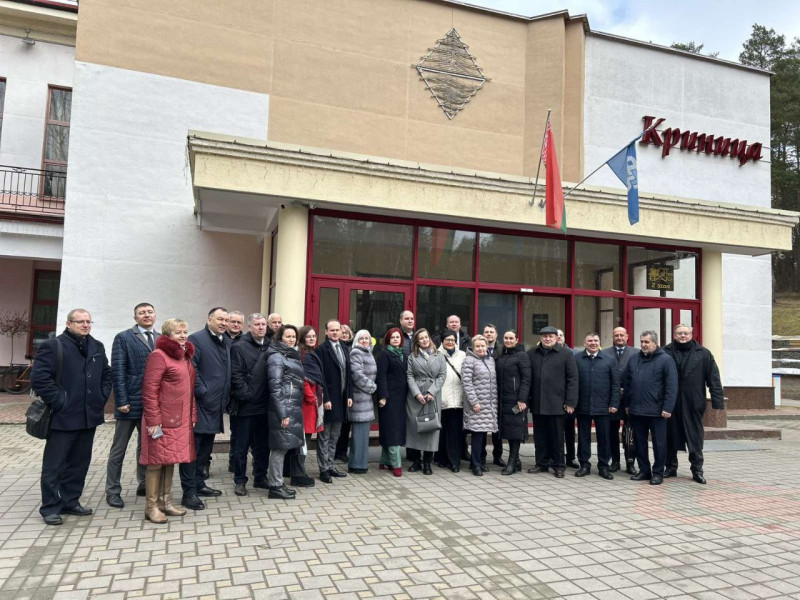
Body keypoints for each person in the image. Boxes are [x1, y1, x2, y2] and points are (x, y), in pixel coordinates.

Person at [32, 308, 112, 526]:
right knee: (54, 465)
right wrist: (61, 401)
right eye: (80, 322)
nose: (85, 325)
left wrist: (101, 396)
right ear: (69, 324)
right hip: (63, 417)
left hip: (88, 416)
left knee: (79, 463)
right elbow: (40, 379)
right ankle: (50, 507)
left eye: (88, 321)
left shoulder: (97, 346)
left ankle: (70, 501)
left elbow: (106, 373)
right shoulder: (54, 346)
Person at [139, 318, 197, 523]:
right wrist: (153, 420)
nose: (183, 336)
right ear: (167, 335)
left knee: (170, 459)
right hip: (161, 419)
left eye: (185, 332)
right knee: (155, 462)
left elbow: (189, 390)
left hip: (179, 419)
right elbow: (149, 390)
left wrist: (192, 414)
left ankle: (166, 501)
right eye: (178, 332)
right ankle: (151, 507)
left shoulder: (183, 356)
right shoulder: (158, 356)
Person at [106, 302, 155, 509]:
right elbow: (117, 371)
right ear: (135, 318)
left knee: (145, 447)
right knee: (119, 449)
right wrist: (121, 400)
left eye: (150, 312)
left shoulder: (161, 338)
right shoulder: (123, 337)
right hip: (129, 403)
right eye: (142, 313)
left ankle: (143, 484)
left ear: (155, 315)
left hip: (150, 404)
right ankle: (112, 491)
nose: (146, 315)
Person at [663, 324, 724, 484]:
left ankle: (697, 470)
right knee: (670, 436)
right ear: (674, 335)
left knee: (695, 438)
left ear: (691, 335)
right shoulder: (665, 352)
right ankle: (670, 467)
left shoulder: (703, 353)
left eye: (686, 333)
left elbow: (713, 378)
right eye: (679, 333)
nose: (683, 336)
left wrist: (717, 402)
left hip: (694, 402)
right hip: (671, 403)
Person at [183, 307, 230, 506]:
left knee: (205, 450)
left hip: (216, 406)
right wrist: (203, 392)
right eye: (220, 319)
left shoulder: (226, 340)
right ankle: (188, 493)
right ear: (209, 319)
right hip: (200, 405)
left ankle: (199, 483)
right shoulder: (196, 339)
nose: (224, 323)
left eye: (226, 320)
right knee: (193, 450)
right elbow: (191, 368)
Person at [622, 330, 678, 486]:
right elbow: (627, 384)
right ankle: (644, 470)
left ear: (655, 343)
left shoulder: (666, 360)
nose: (643, 345)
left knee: (659, 444)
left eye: (646, 342)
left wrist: (668, 408)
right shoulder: (634, 359)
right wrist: (627, 404)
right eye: (641, 342)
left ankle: (658, 473)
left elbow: (672, 386)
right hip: (637, 410)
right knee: (639, 443)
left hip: (658, 412)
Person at [527, 326, 578, 478]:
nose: (547, 339)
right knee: (540, 436)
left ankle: (559, 466)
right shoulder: (532, 353)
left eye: (551, 336)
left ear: (556, 338)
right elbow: (528, 378)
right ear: (540, 338)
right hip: (538, 402)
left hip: (557, 403)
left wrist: (570, 401)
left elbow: (573, 379)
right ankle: (541, 463)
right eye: (545, 336)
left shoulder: (566, 353)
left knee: (557, 437)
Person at [229, 313, 271, 496]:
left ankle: (260, 477)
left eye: (263, 324)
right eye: (257, 324)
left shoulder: (271, 345)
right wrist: (247, 395)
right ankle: (240, 480)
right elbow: (235, 375)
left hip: (266, 405)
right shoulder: (239, 347)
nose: (261, 327)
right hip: (246, 407)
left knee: (263, 445)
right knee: (242, 446)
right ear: (249, 327)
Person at [263, 325, 305, 499]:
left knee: (283, 447)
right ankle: (275, 486)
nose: (291, 339)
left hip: (290, 407)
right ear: (280, 338)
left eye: (294, 336)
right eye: (288, 336)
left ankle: (278, 483)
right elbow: (275, 387)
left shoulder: (288, 355)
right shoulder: (277, 357)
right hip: (283, 409)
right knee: (279, 448)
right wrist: (283, 414)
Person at [574, 332, 620, 480]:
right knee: (583, 437)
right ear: (584, 343)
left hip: (603, 407)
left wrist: (614, 403)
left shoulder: (609, 359)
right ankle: (584, 465)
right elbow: (572, 383)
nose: (593, 343)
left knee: (604, 438)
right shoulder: (577, 359)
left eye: (595, 340)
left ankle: (604, 467)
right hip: (582, 405)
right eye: (590, 341)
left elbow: (615, 384)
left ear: (599, 342)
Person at [315, 320, 353, 483]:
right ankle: (323, 469)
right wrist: (326, 398)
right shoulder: (321, 350)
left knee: (335, 435)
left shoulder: (344, 348)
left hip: (342, 399)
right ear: (326, 332)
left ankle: (330, 465)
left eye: (338, 330)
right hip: (329, 400)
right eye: (332, 330)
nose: (335, 333)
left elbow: (349, 374)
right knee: (325, 436)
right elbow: (321, 377)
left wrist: (349, 395)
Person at [406, 329, 447, 474]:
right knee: (415, 428)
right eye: (421, 338)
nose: (424, 340)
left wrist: (432, 392)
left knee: (430, 428)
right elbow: (409, 375)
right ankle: (416, 461)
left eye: (426, 337)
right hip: (416, 397)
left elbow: (442, 375)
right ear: (417, 342)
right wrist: (416, 393)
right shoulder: (412, 356)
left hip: (432, 396)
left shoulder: (439, 356)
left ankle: (428, 463)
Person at [461, 335, 498, 476]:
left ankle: (479, 462)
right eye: (478, 346)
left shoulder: (490, 360)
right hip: (476, 405)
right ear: (473, 347)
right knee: (477, 435)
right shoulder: (469, 360)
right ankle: (476, 465)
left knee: (483, 434)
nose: (481, 348)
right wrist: (474, 401)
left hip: (490, 405)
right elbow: (467, 383)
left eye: (483, 346)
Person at [496, 330, 531, 475]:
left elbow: (526, 379)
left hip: (516, 400)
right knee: (509, 431)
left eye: (511, 338)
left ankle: (511, 462)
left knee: (515, 431)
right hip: (504, 399)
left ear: (517, 340)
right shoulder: (503, 355)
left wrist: (522, 399)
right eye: (506, 338)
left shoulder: (522, 356)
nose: (508, 340)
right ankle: (516, 461)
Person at [601, 326, 635, 474]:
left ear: (627, 336)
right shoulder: (604, 353)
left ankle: (630, 462)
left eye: (622, 335)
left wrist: (626, 390)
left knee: (630, 432)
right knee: (611, 432)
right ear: (613, 337)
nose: (619, 338)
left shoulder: (636, 353)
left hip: (630, 399)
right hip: (611, 400)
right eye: (616, 335)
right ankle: (615, 461)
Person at [376, 328, 407, 476]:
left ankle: (384, 461)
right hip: (388, 398)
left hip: (401, 398)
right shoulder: (385, 353)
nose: (395, 339)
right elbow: (381, 376)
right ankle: (396, 464)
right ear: (388, 339)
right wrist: (383, 396)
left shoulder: (403, 354)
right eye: (393, 337)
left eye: (397, 337)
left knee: (393, 428)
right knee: (392, 430)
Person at [437, 329, 466, 472]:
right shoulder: (436, 354)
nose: (450, 342)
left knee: (455, 432)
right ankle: (442, 459)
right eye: (447, 340)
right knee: (442, 431)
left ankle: (454, 461)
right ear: (442, 341)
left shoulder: (462, 355)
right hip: (441, 398)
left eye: (453, 340)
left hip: (457, 400)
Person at [348, 329, 377, 474]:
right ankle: (356, 465)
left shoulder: (368, 352)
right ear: (357, 340)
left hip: (366, 399)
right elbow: (357, 375)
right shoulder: (356, 352)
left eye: (367, 338)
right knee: (359, 435)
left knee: (363, 434)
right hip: (360, 399)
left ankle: (360, 463)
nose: (365, 341)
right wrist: (372, 387)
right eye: (362, 338)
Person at [298, 326, 325, 480]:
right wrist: (311, 398)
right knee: (303, 440)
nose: (312, 338)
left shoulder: (310, 353)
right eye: (309, 336)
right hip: (307, 404)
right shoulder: (304, 355)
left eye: (314, 336)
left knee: (305, 438)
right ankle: (299, 473)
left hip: (312, 402)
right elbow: (304, 380)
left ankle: (297, 471)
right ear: (302, 338)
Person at [481, 324, 505, 468]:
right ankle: (482, 457)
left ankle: (498, 456)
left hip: (498, 392)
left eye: (491, 332)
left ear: (496, 335)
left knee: (497, 427)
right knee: (482, 427)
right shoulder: (478, 348)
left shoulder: (502, 350)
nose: (489, 334)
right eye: (486, 332)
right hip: (483, 393)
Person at [225, 309, 245, 472]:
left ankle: (234, 461)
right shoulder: (220, 339)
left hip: (237, 392)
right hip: (220, 389)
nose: (236, 324)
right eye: (233, 321)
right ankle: (205, 463)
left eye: (239, 322)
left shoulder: (246, 341)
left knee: (237, 430)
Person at [334, 323, 355, 460]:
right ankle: (335, 451)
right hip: (337, 391)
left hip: (348, 390)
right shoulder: (335, 348)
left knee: (346, 425)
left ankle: (342, 451)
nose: (344, 335)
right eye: (342, 332)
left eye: (346, 333)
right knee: (336, 424)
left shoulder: (353, 348)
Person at [558, 328, 578, 468]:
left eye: (561, 335)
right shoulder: (549, 352)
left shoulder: (573, 353)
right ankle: (555, 457)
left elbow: (574, 378)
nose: (559, 337)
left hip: (569, 399)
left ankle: (571, 457)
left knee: (569, 431)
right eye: (557, 335)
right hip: (554, 399)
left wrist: (571, 400)